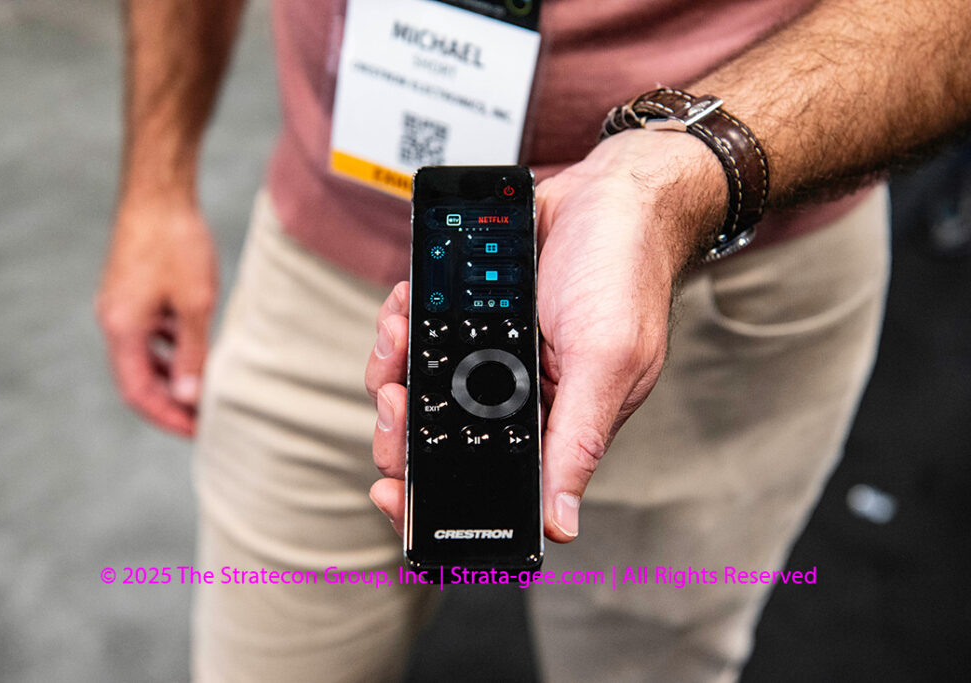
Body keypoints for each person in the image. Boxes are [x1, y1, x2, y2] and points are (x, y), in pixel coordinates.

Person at [96, 0, 971, 680]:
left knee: (647, 660)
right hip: (322, 241)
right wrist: (155, 185)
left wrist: (673, 182)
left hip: (712, 278)